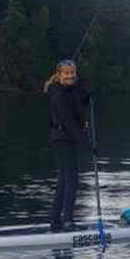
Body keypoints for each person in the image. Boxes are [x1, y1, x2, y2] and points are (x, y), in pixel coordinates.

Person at [44, 59, 91, 232]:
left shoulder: (69, 90)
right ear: (59, 75)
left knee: (63, 181)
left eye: (73, 73)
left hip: (66, 138)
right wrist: (86, 144)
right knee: (72, 180)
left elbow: (79, 99)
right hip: (62, 139)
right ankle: (68, 221)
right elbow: (69, 122)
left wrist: (86, 94)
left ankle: (56, 221)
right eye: (66, 73)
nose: (70, 76)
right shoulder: (58, 95)